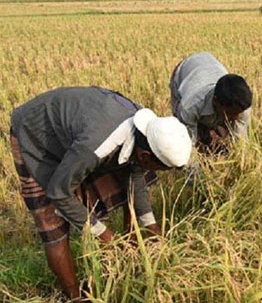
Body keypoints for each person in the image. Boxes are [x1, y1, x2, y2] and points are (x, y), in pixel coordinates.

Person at [9, 86, 192, 300]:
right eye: (160, 167)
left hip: (75, 136)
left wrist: (150, 225)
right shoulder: (96, 145)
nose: (157, 171)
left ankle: (126, 259)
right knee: (53, 224)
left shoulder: (147, 133)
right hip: (36, 136)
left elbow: (136, 178)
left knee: (116, 182)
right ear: (144, 155)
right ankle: (75, 296)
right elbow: (59, 192)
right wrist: (104, 234)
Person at [170, 52, 253, 154]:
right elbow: (188, 147)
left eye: (238, 113)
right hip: (185, 71)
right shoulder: (189, 106)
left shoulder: (242, 105)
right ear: (215, 101)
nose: (236, 117)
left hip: (209, 65)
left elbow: (240, 143)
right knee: (183, 134)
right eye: (231, 113)